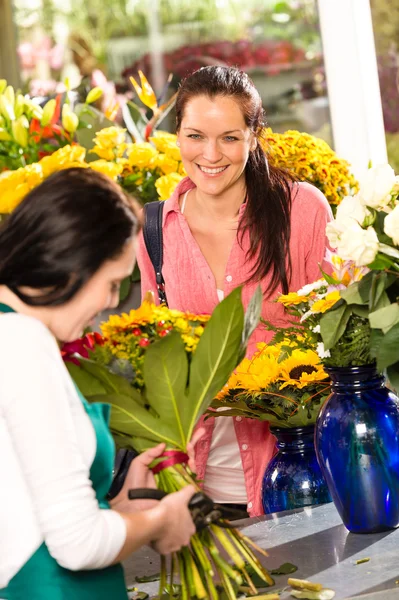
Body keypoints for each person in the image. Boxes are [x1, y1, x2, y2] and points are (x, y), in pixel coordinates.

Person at [136, 66, 333, 518]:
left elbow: (337, 339)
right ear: (177, 137)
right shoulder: (154, 230)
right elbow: (155, 356)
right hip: (200, 488)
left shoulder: (301, 211)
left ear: (254, 134)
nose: (210, 154)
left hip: (302, 478)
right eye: (195, 136)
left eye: (229, 137)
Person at [0, 168, 196, 600]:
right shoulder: (23, 344)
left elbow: (24, 520)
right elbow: (77, 545)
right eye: (111, 284)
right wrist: (163, 519)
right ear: (72, 263)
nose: (111, 302)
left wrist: (122, 509)